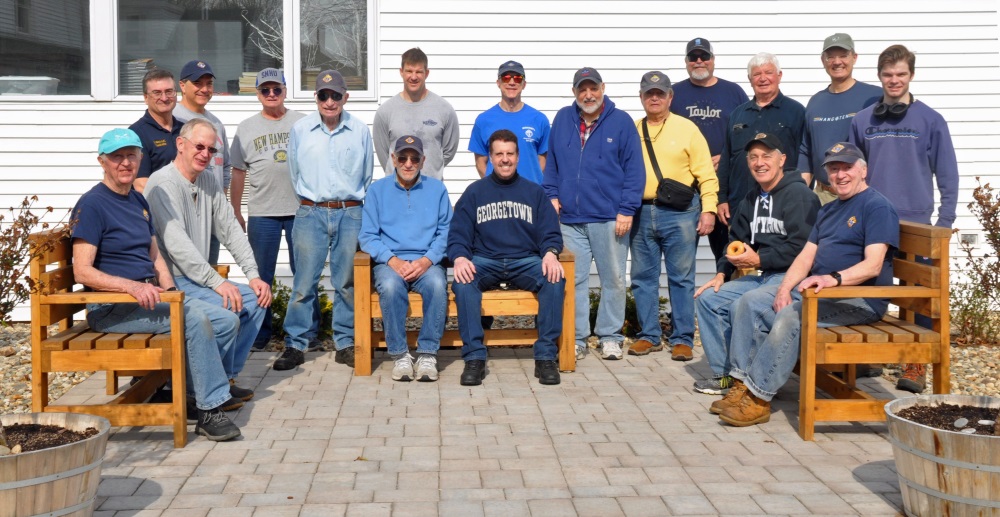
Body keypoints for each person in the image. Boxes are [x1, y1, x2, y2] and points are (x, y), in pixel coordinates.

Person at [711, 141, 898, 427]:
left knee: (790, 317)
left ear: (863, 170)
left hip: (859, 299)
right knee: (749, 302)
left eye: (847, 168)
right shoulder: (830, 209)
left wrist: (832, 278)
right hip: (819, 294)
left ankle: (758, 397)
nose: (840, 175)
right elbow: (805, 256)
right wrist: (784, 288)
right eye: (833, 169)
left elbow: (873, 265)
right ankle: (740, 384)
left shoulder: (877, 206)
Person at [73, 129, 241, 440]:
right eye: (117, 157)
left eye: (131, 156)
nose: (126, 163)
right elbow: (82, 271)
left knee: (226, 320)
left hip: (149, 297)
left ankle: (191, 395)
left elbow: (155, 255)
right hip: (113, 308)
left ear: (140, 159)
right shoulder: (92, 205)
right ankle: (209, 410)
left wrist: (171, 290)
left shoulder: (137, 199)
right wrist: (132, 287)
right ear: (102, 162)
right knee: (195, 320)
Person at [849, 44, 959, 393]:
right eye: (888, 74)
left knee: (919, 297)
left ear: (911, 75)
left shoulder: (931, 120)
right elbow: (852, 173)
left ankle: (915, 364)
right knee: (870, 288)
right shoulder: (862, 120)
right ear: (879, 76)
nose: (894, 80)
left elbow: (948, 174)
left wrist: (944, 225)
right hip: (873, 221)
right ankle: (865, 355)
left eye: (900, 74)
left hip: (917, 224)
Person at [144, 119, 270, 404]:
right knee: (229, 309)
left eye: (211, 150)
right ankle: (197, 389)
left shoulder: (208, 180)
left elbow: (230, 229)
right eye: (199, 146)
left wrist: (253, 275)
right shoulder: (162, 184)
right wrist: (217, 282)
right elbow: (178, 248)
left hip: (197, 280)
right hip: (172, 282)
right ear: (180, 144)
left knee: (258, 298)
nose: (205, 154)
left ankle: (223, 379)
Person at [693, 133, 820, 394]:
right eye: (753, 157)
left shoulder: (800, 196)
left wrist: (760, 259)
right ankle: (725, 377)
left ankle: (748, 382)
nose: (759, 163)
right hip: (765, 276)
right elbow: (735, 240)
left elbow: (804, 249)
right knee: (708, 299)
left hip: (793, 279)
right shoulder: (752, 198)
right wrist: (722, 273)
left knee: (747, 302)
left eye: (766, 156)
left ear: (782, 160)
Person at [274, 70, 374, 372]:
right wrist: (313, 203)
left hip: (350, 213)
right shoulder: (301, 130)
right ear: (315, 97)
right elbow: (295, 174)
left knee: (346, 283)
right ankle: (295, 344)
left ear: (346, 97)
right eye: (323, 95)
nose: (330, 101)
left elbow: (367, 175)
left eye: (336, 95)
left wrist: (349, 205)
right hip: (311, 211)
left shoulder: (360, 131)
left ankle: (345, 343)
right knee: (304, 283)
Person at [542, 67, 645, 361]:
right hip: (570, 219)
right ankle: (576, 338)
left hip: (609, 217)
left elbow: (634, 170)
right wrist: (551, 195)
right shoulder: (563, 118)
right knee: (574, 281)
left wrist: (627, 210)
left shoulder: (621, 122)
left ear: (603, 88)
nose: (588, 95)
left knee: (613, 279)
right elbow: (552, 163)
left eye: (593, 88)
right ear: (574, 92)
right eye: (582, 89)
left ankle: (610, 337)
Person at [449, 129, 566, 386]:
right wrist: (459, 257)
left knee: (554, 279)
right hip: (485, 261)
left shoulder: (534, 192)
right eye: (499, 154)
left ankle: (546, 356)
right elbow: (458, 234)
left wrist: (550, 253)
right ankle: (474, 357)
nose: (505, 159)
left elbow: (551, 231)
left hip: (525, 260)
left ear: (518, 156)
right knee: (463, 282)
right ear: (490, 157)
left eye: (510, 154)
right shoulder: (475, 192)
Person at [628, 71, 719, 360]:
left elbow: (706, 174)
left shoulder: (687, 129)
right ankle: (649, 335)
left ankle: (682, 338)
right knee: (643, 277)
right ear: (641, 97)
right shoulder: (632, 129)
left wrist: (709, 209)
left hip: (680, 213)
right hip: (641, 212)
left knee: (681, 278)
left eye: (660, 93)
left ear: (670, 97)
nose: (654, 98)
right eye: (649, 93)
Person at [229, 68, 319, 351]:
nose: (271, 94)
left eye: (276, 89)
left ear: (285, 91)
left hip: (300, 210)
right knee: (261, 274)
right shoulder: (246, 128)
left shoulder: (303, 122)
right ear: (257, 94)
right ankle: (260, 331)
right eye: (265, 90)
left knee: (304, 272)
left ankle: (309, 331)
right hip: (262, 212)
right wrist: (235, 210)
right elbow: (238, 172)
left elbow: (316, 163)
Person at [359, 135, 452, 382]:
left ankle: (427, 354)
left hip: (426, 262)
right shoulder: (377, 191)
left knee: (437, 285)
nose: (408, 163)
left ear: (423, 160)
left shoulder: (437, 190)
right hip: (390, 262)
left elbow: (446, 232)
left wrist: (427, 260)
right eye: (402, 158)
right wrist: (392, 260)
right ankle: (400, 355)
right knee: (390, 287)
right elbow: (367, 236)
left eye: (414, 158)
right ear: (393, 159)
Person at [670, 38, 749, 263]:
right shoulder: (673, 94)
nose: (699, 61)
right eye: (693, 57)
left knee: (728, 254)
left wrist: (726, 157)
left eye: (704, 56)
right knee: (681, 258)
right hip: (685, 188)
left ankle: (727, 286)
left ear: (713, 60)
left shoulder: (733, 92)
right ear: (686, 62)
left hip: (723, 186)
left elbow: (748, 133)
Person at [717, 53, 805, 233]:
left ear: (779, 76)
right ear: (750, 79)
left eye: (768, 72)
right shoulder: (737, 114)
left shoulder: (796, 112)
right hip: (741, 204)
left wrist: (801, 196)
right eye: (757, 74)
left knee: (779, 250)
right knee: (738, 250)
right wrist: (722, 198)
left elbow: (804, 158)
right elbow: (726, 159)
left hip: (782, 204)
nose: (763, 78)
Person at [798, 33, 881, 204]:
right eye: (831, 57)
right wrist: (800, 193)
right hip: (823, 195)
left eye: (843, 55)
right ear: (823, 60)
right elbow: (806, 151)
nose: (837, 62)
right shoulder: (815, 102)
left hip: (861, 195)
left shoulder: (874, 98)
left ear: (854, 58)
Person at [173, 60, 231, 265]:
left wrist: (219, 200)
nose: (204, 89)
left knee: (210, 273)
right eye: (197, 83)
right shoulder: (174, 120)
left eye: (209, 84)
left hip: (212, 215)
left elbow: (225, 166)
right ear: (182, 86)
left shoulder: (216, 123)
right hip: (185, 214)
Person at [373, 48, 459, 180]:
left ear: (427, 73)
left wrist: (430, 171)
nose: (413, 77)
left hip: (431, 187)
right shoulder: (385, 111)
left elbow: (448, 152)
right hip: (396, 188)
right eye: (409, 71)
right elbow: (384, 155)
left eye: (419, 72)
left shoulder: (444, 109)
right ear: (401, 72)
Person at [468, 60, 550, 184]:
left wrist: (531, 185)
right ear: (498, 83)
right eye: (506, 78)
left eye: (517, 78)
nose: (512, 82)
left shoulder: (539, 120)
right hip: (496, 192)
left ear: (524, 84)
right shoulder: (483, 120)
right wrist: (493, 185)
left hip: (529, 192)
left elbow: (543, 160)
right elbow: (480, 162)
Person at [129, 69, 182, 193]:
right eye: (157, 93)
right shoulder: (136, 134)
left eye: (169, 91)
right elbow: (141, 185)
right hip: (158, 203)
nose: (164, 98)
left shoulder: (185, 129)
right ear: (146, 98)